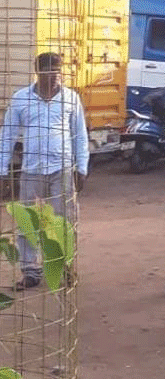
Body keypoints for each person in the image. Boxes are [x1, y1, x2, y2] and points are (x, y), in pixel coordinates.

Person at [0, 52, 89, 290]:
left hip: (62, 168)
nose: (54, 76)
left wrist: (81, 168)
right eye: (49, 71)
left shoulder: (70, 98)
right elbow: (8, 135)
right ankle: (30, 271)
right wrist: (2, 170)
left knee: (64, 221)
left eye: (58, 71)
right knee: (27, 221)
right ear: (38, 72)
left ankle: (64, 266)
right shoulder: (21, 98)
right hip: (31, 169)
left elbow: (80, 135)